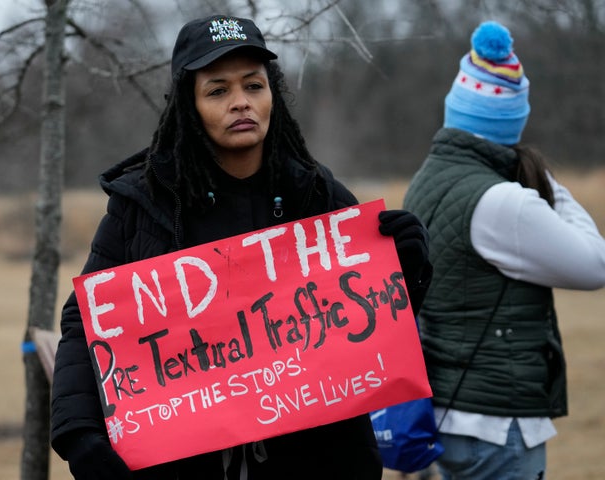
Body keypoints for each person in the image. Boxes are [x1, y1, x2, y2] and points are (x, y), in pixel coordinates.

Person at [51, 14, 432, 480]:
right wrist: (78, 431)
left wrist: (407, 272)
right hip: (186, 465)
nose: (240, 103)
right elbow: (86, 322)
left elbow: (362, 328)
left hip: (316, 462)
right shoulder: (143, 205)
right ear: (189, 105)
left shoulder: (320, 197)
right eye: (218, 90)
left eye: (254, 86)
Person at [402, 20, 605, 480]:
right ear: (512, 119)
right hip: (496, 424)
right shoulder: (505, 202)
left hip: (445, 412)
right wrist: (546, 182)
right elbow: (594, 265)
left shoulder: (426, 180)